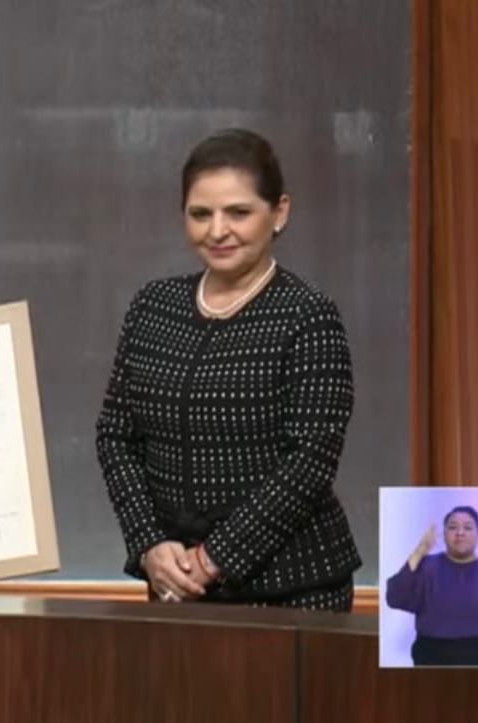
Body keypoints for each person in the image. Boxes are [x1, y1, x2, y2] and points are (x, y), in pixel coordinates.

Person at [95, 128, 362, 611]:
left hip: (294, 592)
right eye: (200, 214)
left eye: (238, 212)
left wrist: (213, 558)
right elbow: (116, 436)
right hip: (174, 585)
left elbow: (310, 460)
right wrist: (149, 545)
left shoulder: (308, 315)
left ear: (279, 212)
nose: (217, 231)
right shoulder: (153, 306)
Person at [385, 506, 478, 666]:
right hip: (431, 654)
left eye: (468, 527)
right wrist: (419, 551)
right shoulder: (426, 567)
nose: (460, 532)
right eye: (452, 527)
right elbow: (395, 597)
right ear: (444, 534)